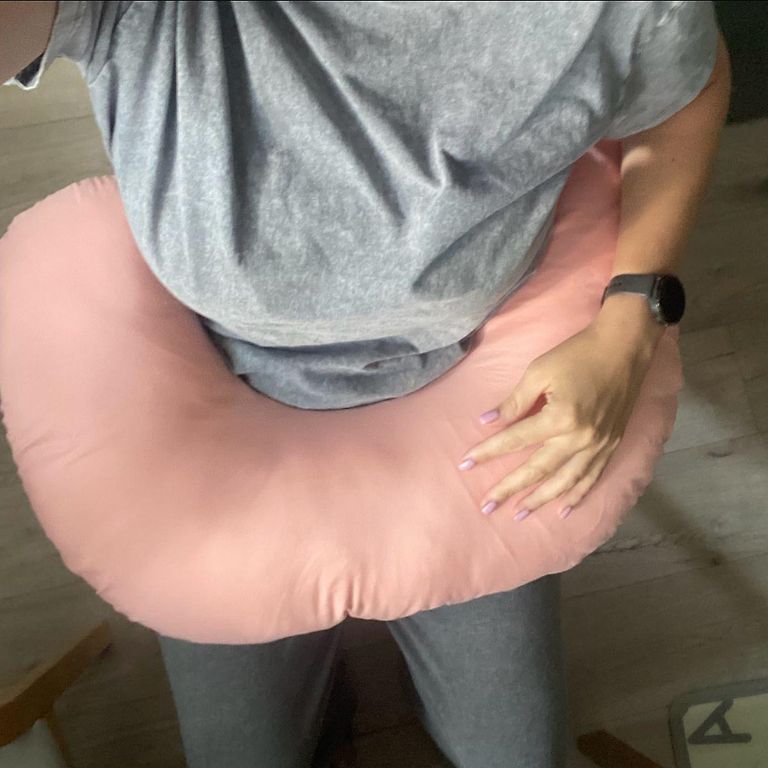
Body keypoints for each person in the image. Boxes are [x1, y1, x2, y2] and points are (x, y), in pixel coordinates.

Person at [1, 2, 730, 766]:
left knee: (522, 757)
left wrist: (630, 321)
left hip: (468, 391)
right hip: (220, 385)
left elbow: (689, 83)